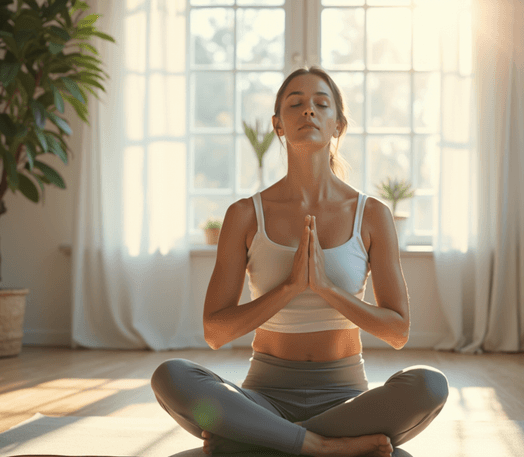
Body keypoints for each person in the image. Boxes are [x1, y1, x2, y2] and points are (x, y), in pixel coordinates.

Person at [150, 66, 449, 457]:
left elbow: (398, 332)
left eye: (321, 104)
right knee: (170, 375)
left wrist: (325, 288)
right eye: (296, 103)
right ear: (278, 124)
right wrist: (290, 288)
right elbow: (216, 332)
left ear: (338, 125)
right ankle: (322, 447)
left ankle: (261, 440)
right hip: (264, 398)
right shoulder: (245, 214)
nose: (308, 110)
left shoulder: (372, 214)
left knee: (429, 385)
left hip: (347, 405)